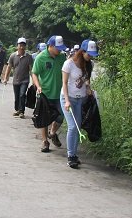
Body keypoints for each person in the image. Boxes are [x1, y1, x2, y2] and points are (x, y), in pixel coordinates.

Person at [61, 39, 98, 168]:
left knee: (78, 127)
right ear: (82, 52)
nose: (91, 57)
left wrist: (88, 89)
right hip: (68, 99)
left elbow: (87, 80)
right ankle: (70, 156)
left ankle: (74, 154)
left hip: (80, 100)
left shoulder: (89, 64)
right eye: (89, 54)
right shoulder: (69, 64)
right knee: (72, 127)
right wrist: (66, 100)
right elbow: (64, 84)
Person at [31, 35, 67, 152]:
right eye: (58, 48)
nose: (60, 50)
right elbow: (34, 73)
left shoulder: (62, 57)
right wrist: (38, 86)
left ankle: (52, 133)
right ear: (50, 46)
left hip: (59, 94)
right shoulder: (41, 58)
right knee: (44, 118)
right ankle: (45, 141)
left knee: (61, 116)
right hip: (45, 93)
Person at [3, 37, 34, 119]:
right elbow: (9, 67)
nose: (21, 47)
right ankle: (17, 110)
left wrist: (34, 80)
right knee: (17, 96)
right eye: (20, 45)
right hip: (16, 80)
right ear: (17, 46)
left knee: (22, 94)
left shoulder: (29, 57)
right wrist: (6, 78)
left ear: (25, 46)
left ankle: (22, 111)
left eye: (23, 45)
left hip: (25, 79)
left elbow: (31, 70)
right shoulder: (13, 56)